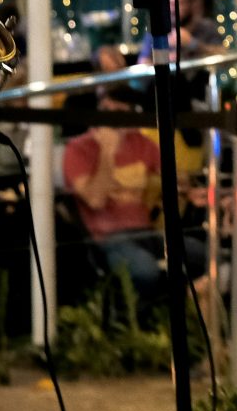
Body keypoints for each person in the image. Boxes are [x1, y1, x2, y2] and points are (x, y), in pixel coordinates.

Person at [63, 83, 168, 292]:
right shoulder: (78, 149)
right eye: (105, 111)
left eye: (118, 112)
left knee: (202, 254)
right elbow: (95, 200)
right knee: (145, 270)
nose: (110, 119)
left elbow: (171, 183)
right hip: (108, 237)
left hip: (147, 232)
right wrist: (107, 153)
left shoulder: (144, 145)